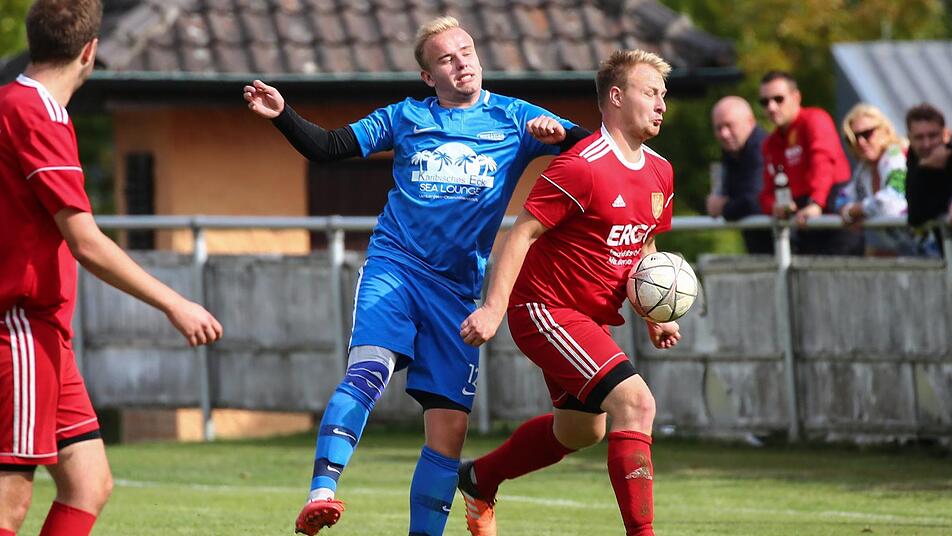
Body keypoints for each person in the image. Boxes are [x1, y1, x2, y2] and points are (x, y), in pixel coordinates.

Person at [243, 16, 590, 536]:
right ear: (429, 77)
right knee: (369, 371)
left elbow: (592, 152)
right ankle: (321, 493)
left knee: (449, 432)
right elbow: (329, 147)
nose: (462, 63)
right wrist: (283, 114)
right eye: (447, 59)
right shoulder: (406, 116)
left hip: (457, 292)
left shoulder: (516, 117)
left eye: (466, 51)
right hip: (396, 269)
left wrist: (562, 135)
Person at [0, 2, 223, 535]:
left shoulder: (9, 101)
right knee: (9, 499)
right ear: (90, 51)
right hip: (20, 327)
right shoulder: (39, 114)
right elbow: (86, 242)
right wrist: (175, 302)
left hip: (46, 335)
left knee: (88, 483)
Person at [454, 49, 680, 536]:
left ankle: (479, 478)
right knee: (636, 403)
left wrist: (654, 312)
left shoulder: (661, 172)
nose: (661, 104)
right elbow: (522, 233)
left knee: (581, 431)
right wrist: (492, 309)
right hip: (543, 308)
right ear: (615, 97)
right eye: (650, 93)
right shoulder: (583, 165)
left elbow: (644, 246)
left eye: (663, 95)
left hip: (588, 319)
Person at [757, 71, 860, 255]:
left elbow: (823, 164)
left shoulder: (814, 119)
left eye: (778, 99)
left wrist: (816, 203)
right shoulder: (770, 144)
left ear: (796, 97)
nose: (771, 107)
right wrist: (775, 206)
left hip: (835, 219)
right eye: (765, 102)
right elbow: (768, 192)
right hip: (805, 224)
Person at [835, 103, 918, 256]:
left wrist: (856, 211)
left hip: (933, 248)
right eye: (853, 137)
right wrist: (852, 212)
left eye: (867, 133)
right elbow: (842, 199)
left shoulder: (896, 155)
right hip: (908, 253)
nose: (860, 142)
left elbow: (891, 202)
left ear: (884, 130)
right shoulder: (864, 168)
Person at [706, 96, 772, 254]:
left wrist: (722, 207)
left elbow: (755, 203)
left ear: (750, 122)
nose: (724, 133)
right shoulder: (733, 153)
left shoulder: (762, 149)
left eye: (730, 125)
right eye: (719, 128)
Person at [905, 103, 952, 255]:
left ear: (945, 134)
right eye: (919, 137)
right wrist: (925, 168)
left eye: (933, 135)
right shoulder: (915, 160)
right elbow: (916, 217)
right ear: (909, 138)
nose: (927, 144)